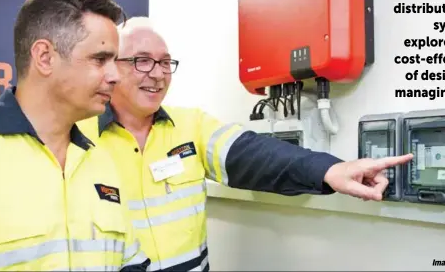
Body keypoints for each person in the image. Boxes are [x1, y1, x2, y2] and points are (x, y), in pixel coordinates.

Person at [77, 17, 413, 271]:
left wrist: (331, 169)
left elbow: (254, 154)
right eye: (142, 60)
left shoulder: (191, 124)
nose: (157, 73)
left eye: (165, 62)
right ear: (112, 69)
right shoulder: (76, 136)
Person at [0, 0, 151, 271]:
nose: (115, 75)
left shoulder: (102, 160)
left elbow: (131, 261)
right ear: (44, 57)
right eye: (100, 59)